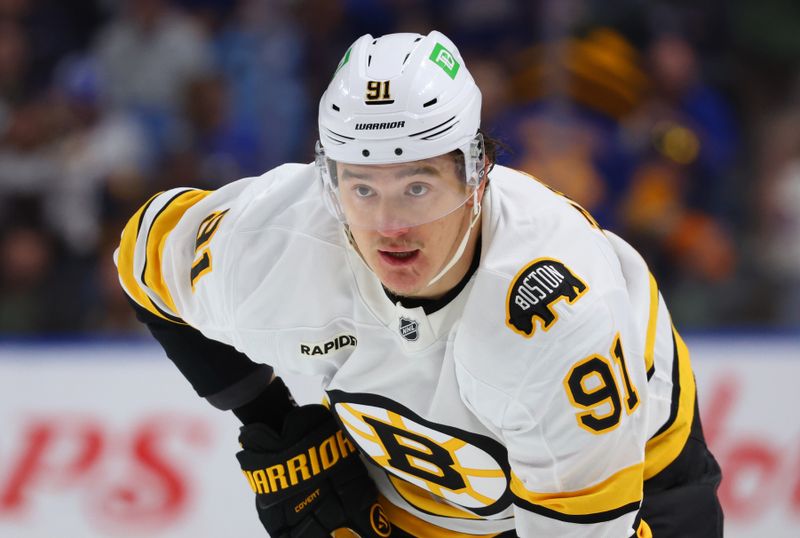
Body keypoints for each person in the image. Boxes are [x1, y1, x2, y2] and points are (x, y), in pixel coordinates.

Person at [115, 31, 722, 537]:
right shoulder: (274, 243)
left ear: (477, 175)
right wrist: (266, 417)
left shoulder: (554, 320)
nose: (389, 226)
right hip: (420, 507)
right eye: (362, 187)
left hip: (637, 482)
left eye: (417, 185)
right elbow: (140, 256)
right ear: (329, 182)